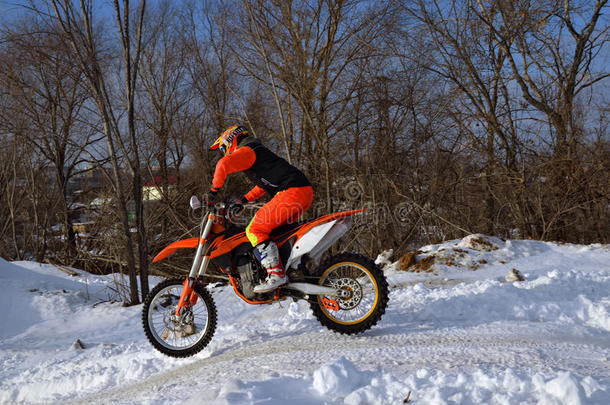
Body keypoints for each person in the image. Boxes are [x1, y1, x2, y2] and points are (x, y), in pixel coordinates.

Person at [206, 125, 313, 293]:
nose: (223, 152)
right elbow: (264, 185)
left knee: (255, 229)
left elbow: (222, 165)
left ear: (230, 141)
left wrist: (213, 192)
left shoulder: (247, 151)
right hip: (301, 191)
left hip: (292, 192)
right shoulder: (257, 151)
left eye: (222, 148)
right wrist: (243, 201)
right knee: (276, 234)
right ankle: (292, 270)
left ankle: (276, 273)